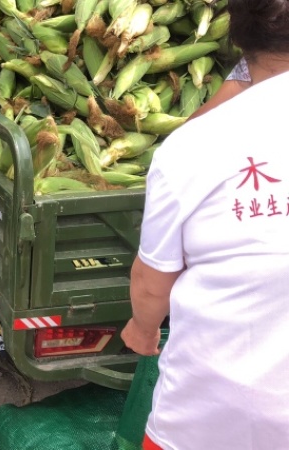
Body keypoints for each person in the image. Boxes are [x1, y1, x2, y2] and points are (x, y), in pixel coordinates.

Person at [120, 1, 289, 449]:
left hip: (209, 417)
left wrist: (141, 329)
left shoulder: (191, 148)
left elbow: (152, 283)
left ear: (234, 38)